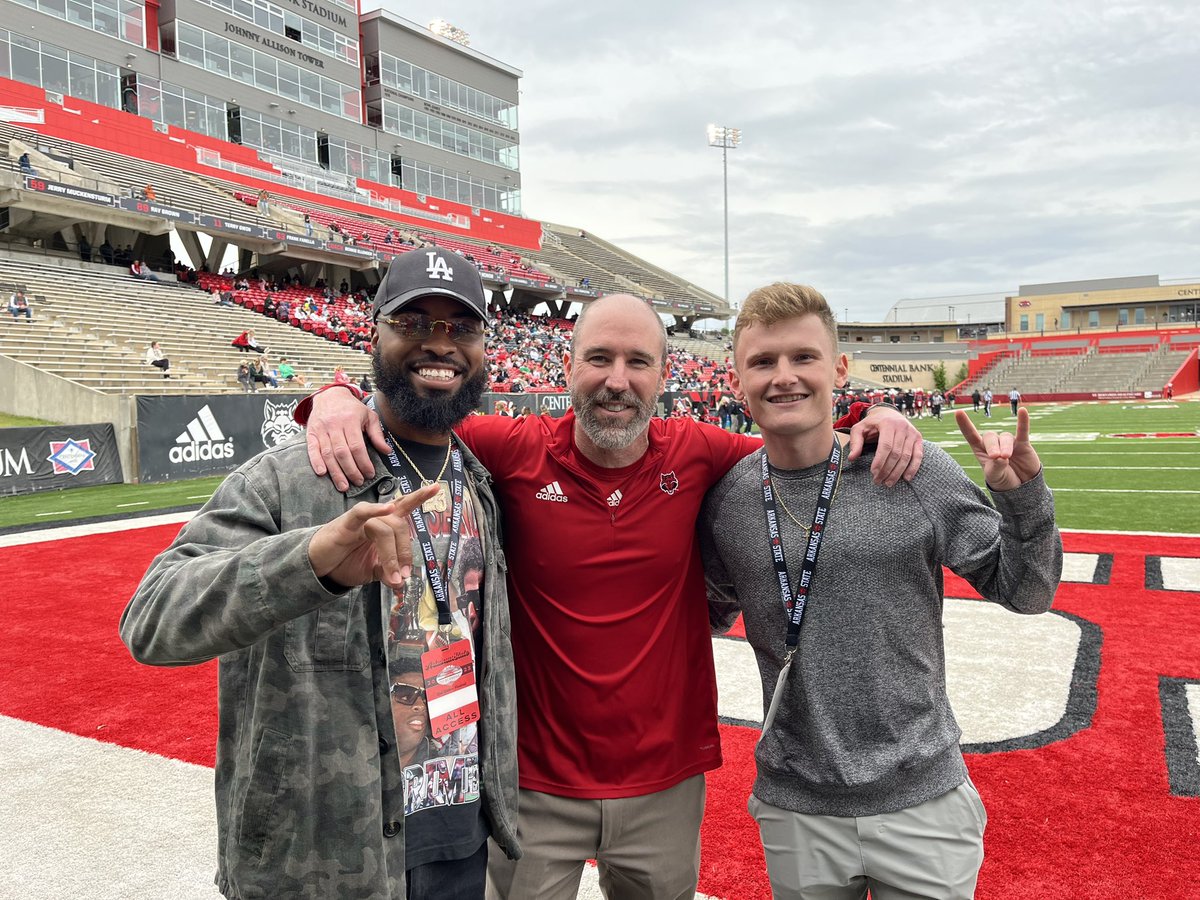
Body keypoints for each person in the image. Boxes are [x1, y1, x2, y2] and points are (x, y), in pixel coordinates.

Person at [296, 278, 924, 899]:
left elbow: (799, 441)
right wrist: (336, 396)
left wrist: (874, 415)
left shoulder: (700, 451)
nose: (617, 380)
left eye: (637, 362)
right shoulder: (511, 448)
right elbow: (415, 415)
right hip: (535, 785)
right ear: (569, 368)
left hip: (664, 785)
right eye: (599, 358)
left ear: (662, 374)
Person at [120, 248, 520, 898]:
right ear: (373, 334)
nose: (439, 344)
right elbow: (152, 619)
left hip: (460, 840)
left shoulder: (481, 485)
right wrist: (309, 562)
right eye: (413, 322)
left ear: (483, 346)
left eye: (460, 327)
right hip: (323, 862)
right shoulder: (287, 480)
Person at [700, 282, 1062, 900]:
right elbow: (705, 610)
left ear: (839, 368)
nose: (783, 377)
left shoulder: (910, 469)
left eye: (802, 357)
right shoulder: (727, 498)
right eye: (762, 362)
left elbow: (1027, 592)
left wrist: (1023, 494)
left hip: (923, 801)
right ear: (737, 381)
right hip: (798, 808)